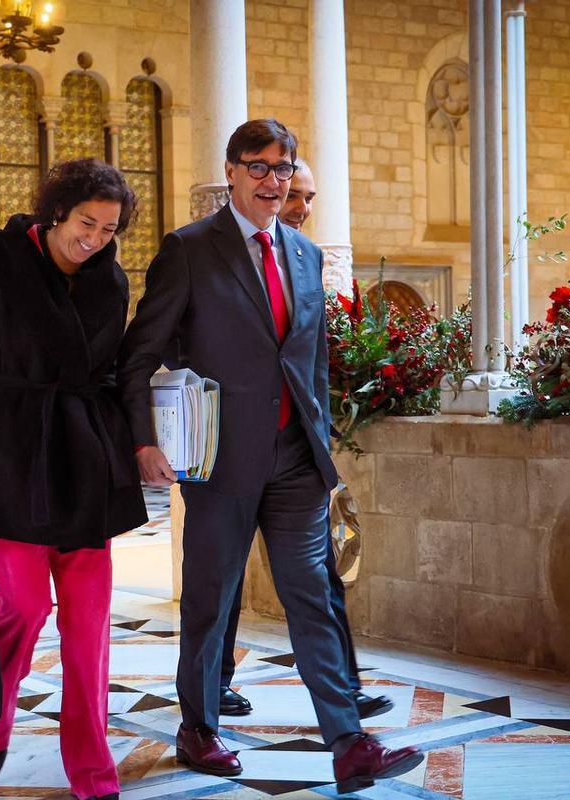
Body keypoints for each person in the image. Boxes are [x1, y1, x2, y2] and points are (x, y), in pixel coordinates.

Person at [116, 120, 422, 792]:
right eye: (258, 167)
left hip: (294, 464)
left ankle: (348, 744)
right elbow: (141, 353)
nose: (272, 182)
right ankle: (198, 727)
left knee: (312, 597)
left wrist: (319, 439)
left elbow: (308, 361)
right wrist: (144, 439)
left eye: (282, 169)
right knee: (210, 601)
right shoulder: (189, 250)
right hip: (220, 464)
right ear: (230, 172)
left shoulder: (307, 256)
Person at [0, 158, 147, 800]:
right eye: (88, 222)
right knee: (25, 602)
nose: (97, 238)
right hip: (7, 457)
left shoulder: (112, 282)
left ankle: (92, 768)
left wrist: (138, 443)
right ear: (57, 212)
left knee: (90, 628)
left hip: (85, 464)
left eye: (110, 229)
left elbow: (116, 372)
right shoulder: (0, 259)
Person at [217, 158, 393, 723]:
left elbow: (312, 352)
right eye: (297, 195)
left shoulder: (303, 257)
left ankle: (343, 689)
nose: (302, 206)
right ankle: (212, 687)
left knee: (321, 574)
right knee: (222, 577)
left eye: (309, 197)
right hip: (232, 449)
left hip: (298, 451)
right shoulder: (220, 251)